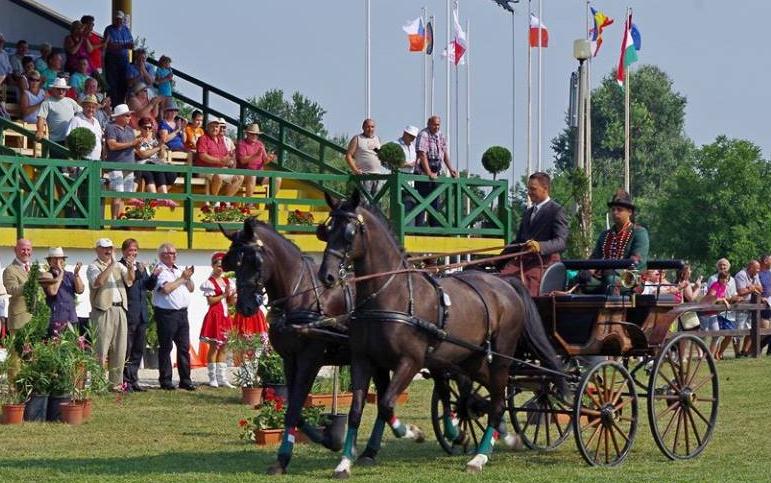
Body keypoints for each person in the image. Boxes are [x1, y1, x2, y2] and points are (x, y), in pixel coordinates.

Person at [499, 172, 568, 296]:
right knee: (500, 283)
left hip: (544, 263)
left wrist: (540, 246)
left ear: (545, 189)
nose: (529, 192)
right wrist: (497, 259)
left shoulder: (556, 210)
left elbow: (561, 242)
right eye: (528, 189)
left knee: (527, 290)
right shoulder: (528, 212)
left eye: (533, 189)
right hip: (523, 262)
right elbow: (519, 242)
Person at [87, 238, 135, 392]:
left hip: (120, 309)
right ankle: (98, 384)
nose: (108, 251)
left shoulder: (118, 266)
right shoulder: (93, 266)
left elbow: (130, 281)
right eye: (104, 248)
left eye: (110, 248)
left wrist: (131, 267)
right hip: (103, 310)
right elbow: (98, 282)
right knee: (100, 350)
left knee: (120, 350)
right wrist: (112, 265)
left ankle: (115, 384)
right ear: (97, 250)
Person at [583, 189, 649, 294]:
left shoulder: (639, 233)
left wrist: (613, 270)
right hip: (603, 277)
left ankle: (614, 310)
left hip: (630, 279)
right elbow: (595, 257)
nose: (615, 212)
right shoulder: (605, 235)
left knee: (610, 281)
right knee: (583, 281)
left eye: (619, 209)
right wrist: (588, 270)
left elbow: (637, 263)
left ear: (629, 212)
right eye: (613, 209)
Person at [152, 242, 196, 391]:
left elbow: (191, 289)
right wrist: (182, 279)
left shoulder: (178, 270)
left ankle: (185, 379)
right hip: (166, 314)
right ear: (163, 255)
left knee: (184, 347)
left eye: (175, 253)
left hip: (182, 313)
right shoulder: (160, 270)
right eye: (171, 253)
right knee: (166, 347)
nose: (174, 256)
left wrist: (187, 278)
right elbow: (165, 289)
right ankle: (165, 380)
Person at [119, 238, 159, 392]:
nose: (133, 253)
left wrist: (153, 275)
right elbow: (128, 283)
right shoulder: (120, 266)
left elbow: (148, 286)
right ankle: (125, 381)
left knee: (138, 349)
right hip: (129, 313)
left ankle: (133, 379)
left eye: (135, 250)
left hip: (142, 313)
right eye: (130, 250)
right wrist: (137, 271)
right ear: (124, 252)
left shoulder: (140, 267)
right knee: (127, 349)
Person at [414, 115, 459, 226]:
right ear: (429, 124)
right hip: (423, 173)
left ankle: (433, 228)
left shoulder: (440, 136)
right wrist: (428, 172)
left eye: (438, 124)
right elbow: (422, 154)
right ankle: (418, 229)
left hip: (436, 171)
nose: (436, 127)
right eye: (434, 124)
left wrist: (451, 169)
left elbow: (444, 154)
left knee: (435, 202)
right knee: (421, 201)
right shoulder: (423, 134)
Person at [199, 252, 235, 388]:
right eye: (217, 265)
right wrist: (224, 294)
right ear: (212, 266)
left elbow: (230, 302)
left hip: (225, 315)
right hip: (215, 315)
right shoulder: (209, 282)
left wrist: (231, 296)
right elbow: (210, 301)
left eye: (222, 265)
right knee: (214, 346)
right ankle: (212, 377)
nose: (220, 268)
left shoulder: (227, 281)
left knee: (225, 347)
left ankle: (222, 378)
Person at [105, 103, 141, 218]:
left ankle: (119, 219)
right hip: (116, 166)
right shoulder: (111, 127)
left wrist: (138, 143)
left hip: (129, 165)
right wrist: (132, 143)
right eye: (127, 115)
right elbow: (112, 145)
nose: (129, 118)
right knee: (118, 194)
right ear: (119, 116)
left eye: (129, 115)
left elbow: (134, 146)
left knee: (125, 195)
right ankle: (114, 221)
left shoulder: (130, 129)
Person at [195, 118, 243, 203]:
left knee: (240, 177)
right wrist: (220, 161)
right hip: (204, 169)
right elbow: (202, 156)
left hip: (220, 169)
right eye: (212, 126)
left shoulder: (221, 140)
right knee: (219, 176)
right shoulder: (203, 139)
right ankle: (214, 201)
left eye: (217, 127)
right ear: (207, 128)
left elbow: (226, 156)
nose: (215, 129)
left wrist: (229, 159)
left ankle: (224, 201)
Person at [38, 247, 84, 337]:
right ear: (49, 261)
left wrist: (76, 274)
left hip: (71, 319)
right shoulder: (47, 275)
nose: (58, 261)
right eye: (55, 259)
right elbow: (52, 291)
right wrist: (61, 273)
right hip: (56, 320)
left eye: (60, 259)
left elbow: (80, 290)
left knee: (71, 347)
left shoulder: (70, 275)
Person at [134, 116, 178, 207]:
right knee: (156, 170)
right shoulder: (139, 139)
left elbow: (161, 156)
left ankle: (159, 197)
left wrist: (161, 147)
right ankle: (160, 197)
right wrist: (158, 147)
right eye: (145, 127)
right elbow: (144, 154)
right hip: (142, 164)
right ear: (140, 128)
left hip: (152, 164)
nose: (148, 130)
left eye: (150, 128)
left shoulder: (153, 140)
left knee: (170, 172)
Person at [237, 123, 278, 199]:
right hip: (245, 173)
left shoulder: (260, 144)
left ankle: (269, 204)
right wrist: (255, 156)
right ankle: (248, 203)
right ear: (247, 134)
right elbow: (242, 160)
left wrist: (270, 158)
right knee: (252, 175)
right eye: (252, 134)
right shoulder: (242, 144)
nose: (254, 136)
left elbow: (265, 161)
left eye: (256, 134)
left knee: (277, 179)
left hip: (259, 173)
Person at [36, 77, 82, 144]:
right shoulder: (47, 102)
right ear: (53, 89)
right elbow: (41, 118)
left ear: (66, 90)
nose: (61, 91)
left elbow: (82, 113)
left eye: (63, 89)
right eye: (58, 89)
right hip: (55, 141)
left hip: (71, 140)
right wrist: (40, 131)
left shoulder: (71, 101)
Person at [345, 118, 383, 197]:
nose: (370, 129)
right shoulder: (357, 138)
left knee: (378, 202)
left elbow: (381, 155)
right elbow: (348, 156)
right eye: (368, 127)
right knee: (364, 201)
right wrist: (355, 170)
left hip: (378, 175)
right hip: (365, 175)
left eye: (372, 127)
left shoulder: (377, 139)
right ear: (363, 127)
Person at [2, 239, 33, 333]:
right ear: (15, 250)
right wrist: (30, 283)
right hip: (19, 320)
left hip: (35, 320)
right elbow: (11, 290)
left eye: (28, 249)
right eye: (23, 249)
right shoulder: (10, 270)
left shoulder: (33, 269)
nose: (26, 252)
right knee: (18, 348)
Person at [103, 10, 134, 105]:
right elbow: (109, 46)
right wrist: (124, 46)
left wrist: (120, 46)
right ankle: (113, 104)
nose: (118, 21)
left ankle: (120, 104)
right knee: (113, 83)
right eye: (116, 19)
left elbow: (131, 45)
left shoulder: (126, 30)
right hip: (112, 59)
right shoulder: (109, 29)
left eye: (120, 19)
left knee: (123, 83)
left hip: (124, 60)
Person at [733, 260, 762, 357]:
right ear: (750, 267)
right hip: (742, 306)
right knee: (739, 330)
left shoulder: (755, 275)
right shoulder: (741, 275)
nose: (758, 271)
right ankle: (737, 352)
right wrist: (753, 289)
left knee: (752, 328)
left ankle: (744, 351)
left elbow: (761, 289)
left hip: (752, 306)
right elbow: (740, 291)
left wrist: (751, 287)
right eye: (757, 268)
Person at [66, 95, 103, 161]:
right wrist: (70, 160)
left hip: (95, 161)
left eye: (93, 107)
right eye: (88, 106)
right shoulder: (76, 120)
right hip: (81, 161)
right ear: (83, 106)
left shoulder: (96, 122)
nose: (91, 109)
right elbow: (69, 140)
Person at [397, 125, 419, 222]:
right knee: (401, 206)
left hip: (411, 181)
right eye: (411, 136)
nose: (412, 139)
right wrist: (406, 165)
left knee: (411, 206)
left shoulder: (413, 147)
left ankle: (410, 229)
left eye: (414, 137)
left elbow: (417, 159)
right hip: (399, 179)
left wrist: (416, 163)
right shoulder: (396, 145)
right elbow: (391, 161)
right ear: (405, 133)